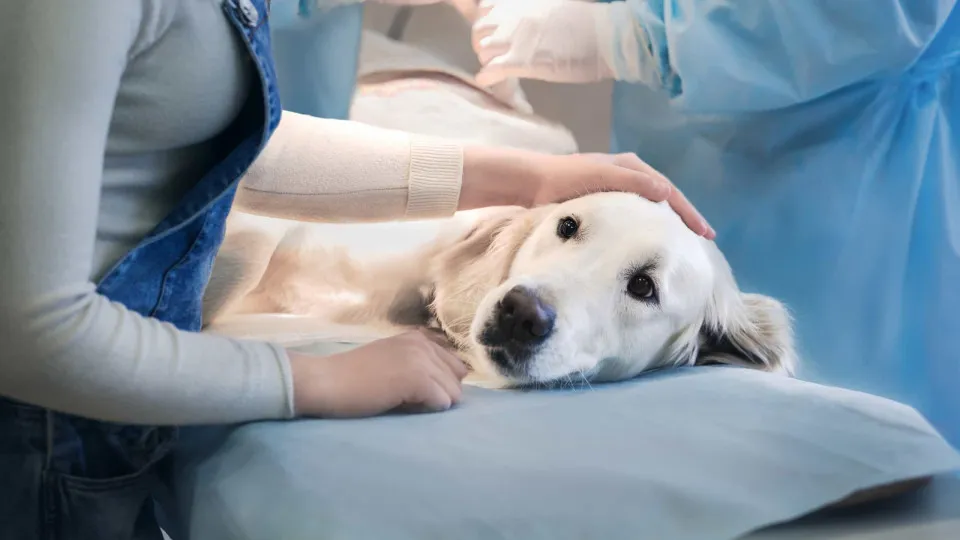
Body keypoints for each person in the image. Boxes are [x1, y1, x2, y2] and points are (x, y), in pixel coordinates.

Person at [0, 1, 714, 538]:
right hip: (46, 442)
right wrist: (316, 380)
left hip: (109, 425)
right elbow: (33, 335)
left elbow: (214, 134)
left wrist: (526, 177)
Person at [470, 0, 960, 447]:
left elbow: (876, 16)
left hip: (838, 173)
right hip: (680, 132)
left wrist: (639, 35)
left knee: (831, 448)